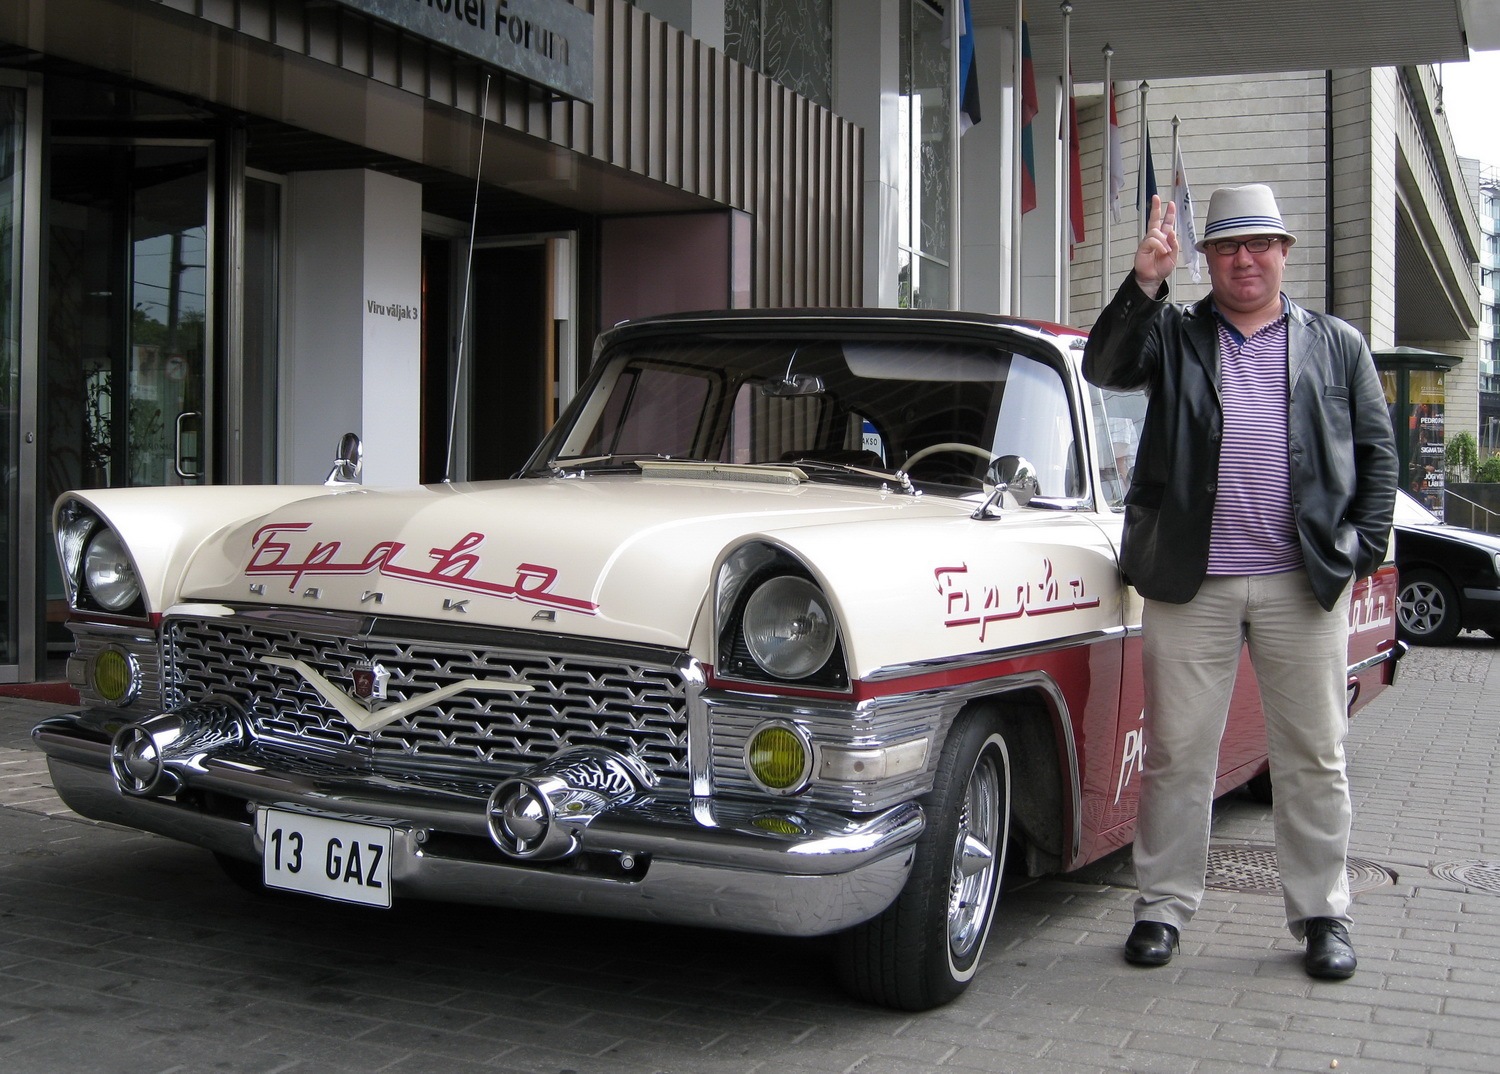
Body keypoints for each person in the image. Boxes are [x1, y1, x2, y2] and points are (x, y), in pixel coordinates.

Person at [1083, 184, 1398, 980]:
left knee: (1314, 754)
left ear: (1284, 252)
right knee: (1177, 753)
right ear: (1208, 258)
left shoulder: (1337, 345)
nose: (1245, 259)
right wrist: (1145, 282)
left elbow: (1377, 455)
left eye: (1259, 243)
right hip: (1193, 584)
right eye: (1227, 247)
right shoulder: (1175, 334)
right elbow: (1106, 366)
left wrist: (1358, 550)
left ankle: (1323, 913)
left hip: (1303, 582)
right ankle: (1162, 907)